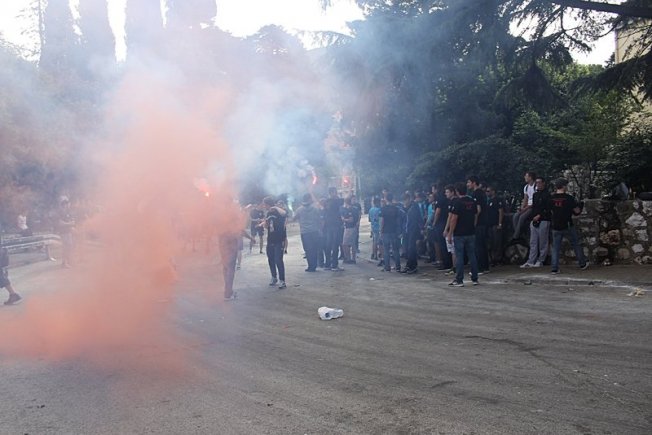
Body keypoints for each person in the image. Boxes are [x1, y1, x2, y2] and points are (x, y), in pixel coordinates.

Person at [549, 179, 588, 274]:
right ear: (563, 186)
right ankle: (582, 263)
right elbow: (577, 211)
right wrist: (580, 204)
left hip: (556, 225)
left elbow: (549, 210)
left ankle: (554, 268)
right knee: (575, 244)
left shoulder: (551, 198)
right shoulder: (569, 198)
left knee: (556, 247)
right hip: (567, 224)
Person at [447, 182, 478, 287]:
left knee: (459, 256)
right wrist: (473, 226)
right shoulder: (472, 201)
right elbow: (475, 215)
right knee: (472, 255)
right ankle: (475, 278)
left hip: (459, 233)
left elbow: (454, 219)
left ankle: (459, 279)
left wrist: (450, 233)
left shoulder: (457, 202)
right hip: (471, 232)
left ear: (457, 191)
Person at [521, 177, 551, 268]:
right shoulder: (535, 195)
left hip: (544, 219)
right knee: (533, 241)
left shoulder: (547, 195)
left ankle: (541, 260)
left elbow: (548, 208)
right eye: (536, 183)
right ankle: (531, 260)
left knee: (543, 242)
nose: (538, 184)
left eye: (539, 182)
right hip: (534, 219)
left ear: (543, 183)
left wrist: (540, 215)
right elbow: (534, 207)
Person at [218, 226, 253, 301]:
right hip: (231, 247)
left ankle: (228, 290)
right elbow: (241, 231)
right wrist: (250, 238)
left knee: (226, 269)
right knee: (230, 270)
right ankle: (228, 294)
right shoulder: (234, 223)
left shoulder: (222, 222)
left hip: (223, 246)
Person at [261, 196, 288, 288]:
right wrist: (264, 223)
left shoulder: (278, 211)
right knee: (271, 259)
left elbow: (284, 213)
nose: (263, 206)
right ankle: (274, 277)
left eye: (264, 204)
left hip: (279, 239)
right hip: (270, 239)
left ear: (268, 204)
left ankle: (282, 280)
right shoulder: (268, 213)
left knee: (278, 260)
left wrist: (275, 207)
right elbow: (267, 226)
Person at [293, 193, 322, 272]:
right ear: (309, 199)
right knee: (314, 249)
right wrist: (320, 230)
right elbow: (319, 219)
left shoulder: (299, 209)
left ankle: (310, 266)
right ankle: (314, 265)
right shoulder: (315, 209)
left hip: (305, 232)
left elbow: (294, 218)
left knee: (308, 250)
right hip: (314, 231)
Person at [467, 176, 489, 274]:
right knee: (483, 245)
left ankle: (480, 268)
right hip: (484, 222)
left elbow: (478, 210)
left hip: (479, 222)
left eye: (469, 182)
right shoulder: (482, 193)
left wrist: (474, 222)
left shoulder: (476, 194)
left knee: (478, 246)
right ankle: (485, 267)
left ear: (474, 183)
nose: (467, 184)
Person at [323, 187, 344, 271]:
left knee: (328, 245)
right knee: (335, 245)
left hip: (328, 226)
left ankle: (327, 264)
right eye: (335, 192)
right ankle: (334, 265)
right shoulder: (336, 201)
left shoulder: (326, 202)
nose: (336, 194)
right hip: (336, 225)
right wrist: (349, 187)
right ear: (333, 193)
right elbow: (347, 198)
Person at [380, 193, 401, 272]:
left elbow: (382, 221)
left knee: (386, 250)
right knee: (396, 249)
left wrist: (381, 230)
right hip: (394, 231)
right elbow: (398, 221)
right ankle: (398, 266)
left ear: (386, 199)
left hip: (386, 231)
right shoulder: (396, 209)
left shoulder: (383, 209)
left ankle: (387, 267)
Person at [402, 192, 422, 274]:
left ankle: (412, 266)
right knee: (407, 248)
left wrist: (421, 229)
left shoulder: (414, 207)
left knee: (411, 248)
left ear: (409, 199)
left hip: (413, 230)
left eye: (405, 200)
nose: (405, 202)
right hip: (407, 230)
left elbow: (418, 218)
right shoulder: (407, 207)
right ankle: (409, 264)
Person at [512, 171, 536, 239]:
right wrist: (522, 207)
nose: (525, 177)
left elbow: (535, 201)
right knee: (515, 216)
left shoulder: (535, 187)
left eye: (526, 176)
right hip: (527, 205)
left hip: (532, 206)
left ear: (530, 177)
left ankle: (516, 236)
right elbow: (525, 198)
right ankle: (518, 233)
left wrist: (526, 208)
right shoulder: (526, 187)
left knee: (522, 217)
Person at [485, 185, 505, 266]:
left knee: (497, 242)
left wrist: (500, 223)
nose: (487, 193)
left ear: (493, 191)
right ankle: (493, 259)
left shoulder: (497, 200)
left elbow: (501, 211)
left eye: (488, 191)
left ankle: (498, 259)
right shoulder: (489, 201)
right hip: (489, 224)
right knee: (492, 243)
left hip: (496, 224)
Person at [340, 196, 360, 264]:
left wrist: (344, 219)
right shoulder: (355, 208)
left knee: (344, 244)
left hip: (349, 228)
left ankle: (348, 258)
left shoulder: (349, 209)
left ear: (345, 202)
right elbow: (358, 217)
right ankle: (353, 259)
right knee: (353, 243)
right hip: (354, 227)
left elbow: (351, 220)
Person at [57, 196, 75, 268]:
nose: (69, 205)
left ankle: (67, 261)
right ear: (64, 204)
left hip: (68, 231)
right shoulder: (60, 212)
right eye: (67, 203)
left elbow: (69, 220)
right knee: (65, 247)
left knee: (69, 246)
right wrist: (70, 224)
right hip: (64, 232)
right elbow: (60, 223)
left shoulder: (67, 212)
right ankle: (64, 263)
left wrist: (71, 225)